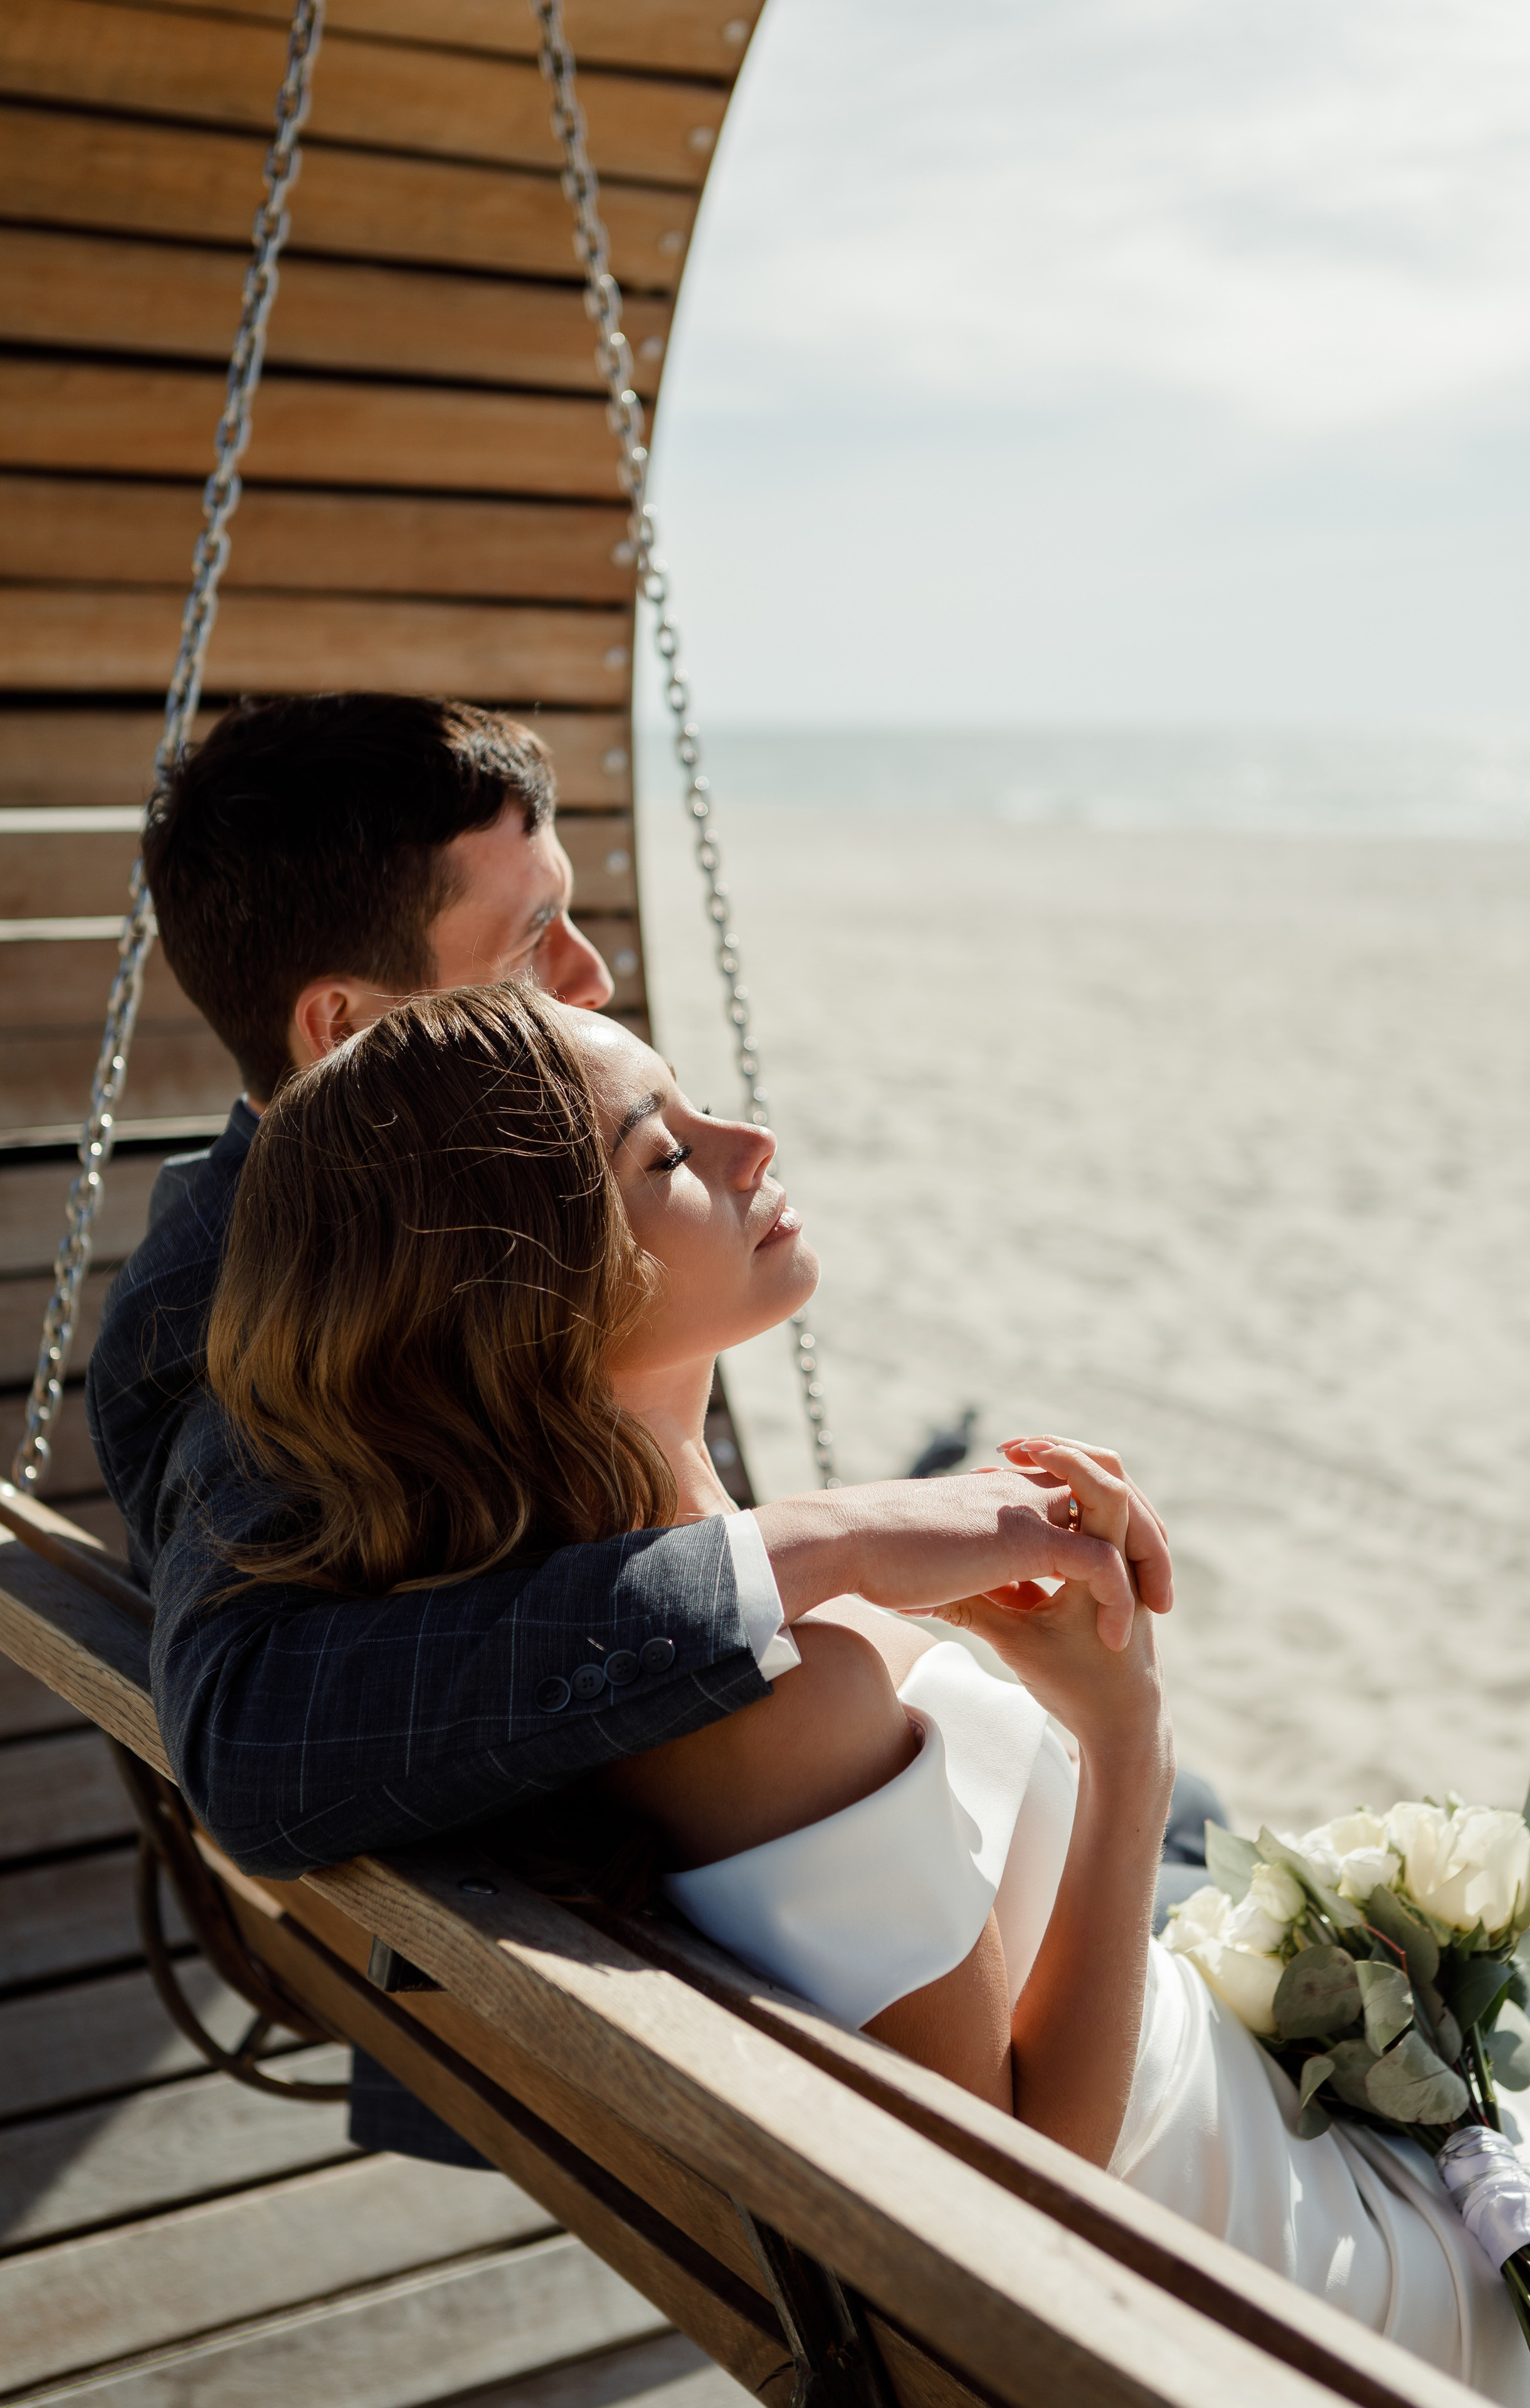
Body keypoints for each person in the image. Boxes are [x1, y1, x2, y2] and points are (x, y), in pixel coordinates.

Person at [207, 984, 1530, 2407]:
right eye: (666, 1153)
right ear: (531, 1299)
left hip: (1246, 2126)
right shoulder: (769, 1699)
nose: (747, 1141)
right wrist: (1124, 1738)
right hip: (1270, 2257)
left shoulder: (664, 1628)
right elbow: (1030, 2185)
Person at [86, 691, 1186, 2166]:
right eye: (532, 936)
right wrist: (828, 1540)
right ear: (344, 1027)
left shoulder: (439, 1266)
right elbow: (252, 1737)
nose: (590, 977)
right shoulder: (254, 1318)